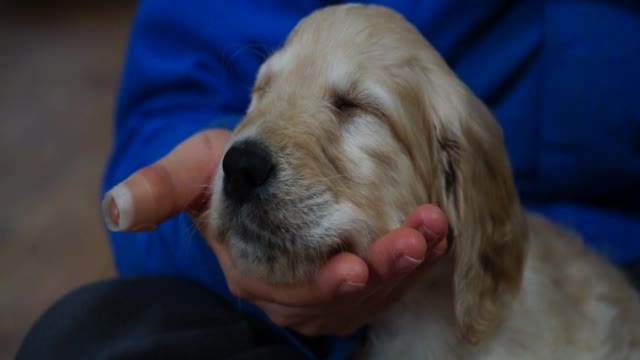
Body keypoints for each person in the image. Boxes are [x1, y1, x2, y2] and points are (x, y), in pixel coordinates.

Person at [18, 1, 640, 360]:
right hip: (289, 327)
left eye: (352, 108)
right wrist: (194, 211)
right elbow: (177, 96)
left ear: (456, 174)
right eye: (263, 90)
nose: (251, 147)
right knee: (83, 343)